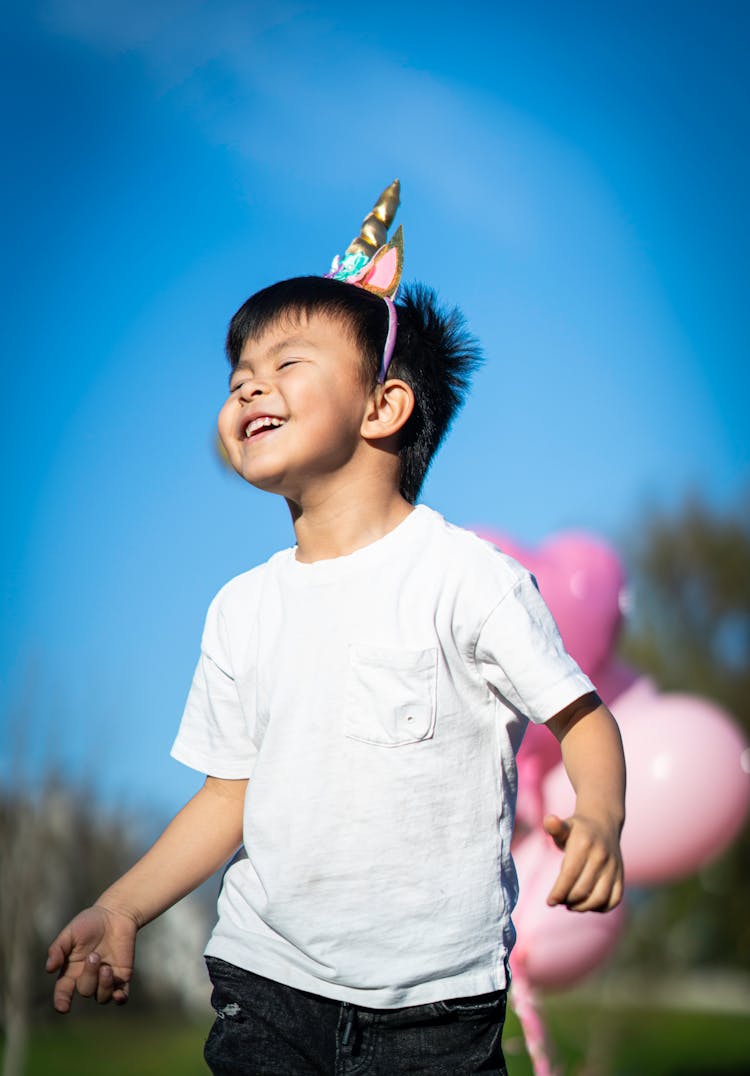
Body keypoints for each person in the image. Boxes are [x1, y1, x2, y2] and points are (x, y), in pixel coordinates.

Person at [47, 181, 625, 1076]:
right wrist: (122, 906)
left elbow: (581, 715)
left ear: (384, 407)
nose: (248, 385)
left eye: (286, 364)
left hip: (437, 1007)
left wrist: (601, 814)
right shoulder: (242, 607)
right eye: (239, 374)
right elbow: (227, 796)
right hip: (266, 983)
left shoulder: (465, 576)